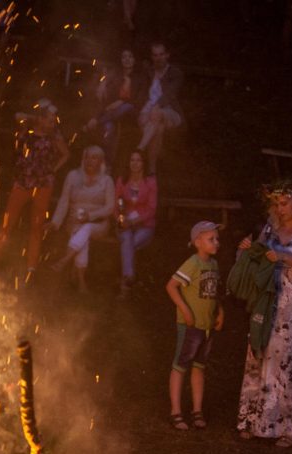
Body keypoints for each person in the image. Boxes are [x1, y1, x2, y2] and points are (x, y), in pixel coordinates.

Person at [236, 181, 292, 447]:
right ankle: (253, 421)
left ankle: (288, 428)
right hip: (268, 301)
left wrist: (284, 256)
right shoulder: (270, 228)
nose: (280, 208)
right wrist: (244, 250)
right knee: (260, 356)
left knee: (289, 363)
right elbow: (257, 257)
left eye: (284, 203)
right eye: (276, 204)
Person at [0, 98, 69, 282]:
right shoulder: (28, 127)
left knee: (36, 226)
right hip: (23, 182)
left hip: (43, 185)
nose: (52, 122)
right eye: (49, 118)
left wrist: (52, 170)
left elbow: (66, 154)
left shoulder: (54, 135)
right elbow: (17, 116)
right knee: (8, 221)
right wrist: (37, 117)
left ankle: (31, 268)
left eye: (53, 119)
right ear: (40, 118)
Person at [165, 221, 224, 430]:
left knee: (199, 367)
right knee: (180, 365)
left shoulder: (213, 265)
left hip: (206, 326)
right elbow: (171, 286)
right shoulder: (193, 262)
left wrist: (219, 311)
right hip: (190, 326)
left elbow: (213, 292)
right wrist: (185, 310)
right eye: (211, 239)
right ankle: (176, 412)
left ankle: (197, 411)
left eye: (217, 239)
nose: (216, 242)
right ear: (198, 241)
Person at [47, 145, 116, 293]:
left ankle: (67, 261)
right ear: (83, 159)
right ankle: (80, 281)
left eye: (94, 158)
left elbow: (110, 207)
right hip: (74, 222)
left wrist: (90, 216)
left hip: (99, 225)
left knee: (86, 228)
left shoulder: (107, 180)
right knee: (81, 232)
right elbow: (64, 200)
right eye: (87, 157)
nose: (90, 160)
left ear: (101, 161)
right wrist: (55, 222)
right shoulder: (73, 176)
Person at [84, 49, 144, 168]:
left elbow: (140, 99)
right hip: (113, 114)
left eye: (130, 56)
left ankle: (96, 121)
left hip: (132, 112)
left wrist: (122, 101)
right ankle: (107, 165)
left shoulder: (140, 77)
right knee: (108, 128)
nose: (127, 59)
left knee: (126, 106)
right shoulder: (116, 77)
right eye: (124, 57)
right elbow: (108, 100)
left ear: (134, 59)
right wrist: (104, 86)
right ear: (121, 60)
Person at [113, 149, 157, 296]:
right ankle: (129, 279)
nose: (135, 163)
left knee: (128, 244)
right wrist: (122, 220)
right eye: (132, 160)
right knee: (127, 239)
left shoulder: (151, 182)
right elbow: (116, 205)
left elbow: (151, 209)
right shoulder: (122, 180)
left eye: (138, 160)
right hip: (124, 225)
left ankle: (125, 284)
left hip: (144, 225)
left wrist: (133, 222)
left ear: (144, 163)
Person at [136, 41, 183, 174]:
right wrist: (142, 110)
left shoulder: (175, 73)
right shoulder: (149, 72)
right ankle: (152, 171)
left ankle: (139, 149)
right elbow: (143, 93)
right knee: (158, 129)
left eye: (161, 54)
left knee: (157, 114)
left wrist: (156, 107)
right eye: (155, 55)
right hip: (151, 112)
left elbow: (170, 94)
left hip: (170, 112)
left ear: (167, 55)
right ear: (152, 57)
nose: (159, 58)